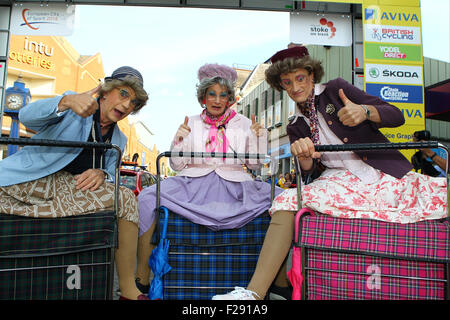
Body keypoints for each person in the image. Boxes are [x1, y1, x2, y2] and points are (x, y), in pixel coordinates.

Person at [212, 46, 447, 300]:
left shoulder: (337, 89)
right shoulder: (294, 125)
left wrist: (365, 111)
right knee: (287, 200)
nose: (294, 87)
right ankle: (253, 295)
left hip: (383, 174)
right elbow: (310, 175)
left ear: (312, 75)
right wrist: (304, 161)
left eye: (300, 78)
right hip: (338, 182)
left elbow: (397, 115)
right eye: (287, 83)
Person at [0, 66, 150, 300]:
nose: (127, 105)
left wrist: (102, 173)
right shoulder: (73, 106)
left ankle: (129, 290)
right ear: (104, 91)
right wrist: (66, 101)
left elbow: (111, 173)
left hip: (72, 192)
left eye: (134, 102)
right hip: (30, 181)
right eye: (123, 94)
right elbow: (27, 116)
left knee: (126, 197)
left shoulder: (119, 138)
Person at [135, 63, 283, 291]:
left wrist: (259, 137)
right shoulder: (191, 122)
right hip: (192, 184)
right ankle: (141, 278)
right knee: (146, 198)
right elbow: (176, 164)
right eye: (211, 94)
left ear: (230, 99)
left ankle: (280, 284)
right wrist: (180, 139)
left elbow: (254, 164)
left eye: (223, 95)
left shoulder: (243, 122)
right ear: (203, 97)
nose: (217, 100)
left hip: (234, 186)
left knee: (284, 199)